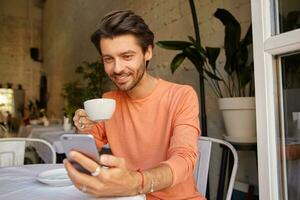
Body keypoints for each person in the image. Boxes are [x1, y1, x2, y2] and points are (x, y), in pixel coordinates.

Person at [66, 10, 205, 200]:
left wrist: (136, 183)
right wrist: (83, 128)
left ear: (148, 52)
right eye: (108, 59)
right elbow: (86, 153)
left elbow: (184, 158)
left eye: (127, 56)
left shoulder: (181, 96)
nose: (117, 68)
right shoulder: (108, 101)